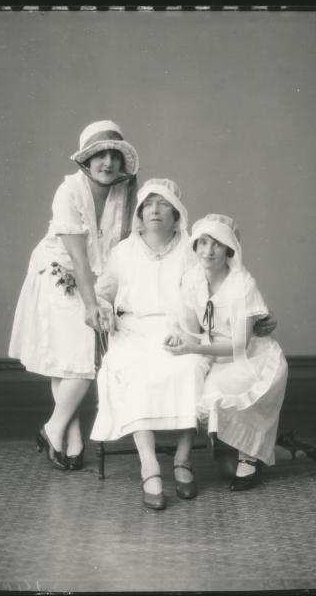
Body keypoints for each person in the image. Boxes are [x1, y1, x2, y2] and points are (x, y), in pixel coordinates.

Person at [9, 120, 139, 471]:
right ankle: (54, 429)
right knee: (77, 356)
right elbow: (79, 259)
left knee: (69, 359)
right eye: (100, 155)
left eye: (114, 155)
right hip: (57, 272)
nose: (108, 163)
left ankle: (69, 434)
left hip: (92, 277)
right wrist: (92, 304)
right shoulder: (68, 192)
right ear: (86, 160)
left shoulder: (125, 194)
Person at [90, 178, 211, 510]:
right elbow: (104, 292)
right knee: (135, 372)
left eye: (164, 204)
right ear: (140, 213)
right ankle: (150, 465)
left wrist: (189, 333)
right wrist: (103, 311)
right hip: (132, 329)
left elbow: (209, 296)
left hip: (180, 328)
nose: (155, 210)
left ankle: (183, 460)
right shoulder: (123, 251)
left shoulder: (191, 250)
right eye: (148, 204)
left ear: (177, 213)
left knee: (190, 367)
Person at [164, 213, 288, 492]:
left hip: (250, 358)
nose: (208, 251)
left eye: (217, 244)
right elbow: (190, 327)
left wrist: (194, 348)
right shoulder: (192, 279)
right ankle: (284, 449)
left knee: (217, 390)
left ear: (229, 250)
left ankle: (253, 456)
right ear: (194, 247)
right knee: (226, 469)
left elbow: (240, 346)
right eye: (203, 243)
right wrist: (178, 336)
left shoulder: (242, 284)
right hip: (215, 354)